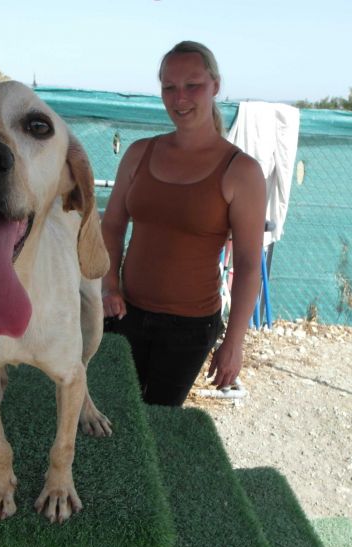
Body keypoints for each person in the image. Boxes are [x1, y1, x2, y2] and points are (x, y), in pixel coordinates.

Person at [100, 41, 266, 407]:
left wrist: (233, 343)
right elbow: (111, 225)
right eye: (169, 87)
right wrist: (109, 285)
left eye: (193, 85)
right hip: (124, 311)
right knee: (113, 409)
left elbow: (250, 264)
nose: (180, 98)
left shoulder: (241, 171)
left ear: (215, 86)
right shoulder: (139, 153)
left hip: (189, 327)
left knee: (160, 418)